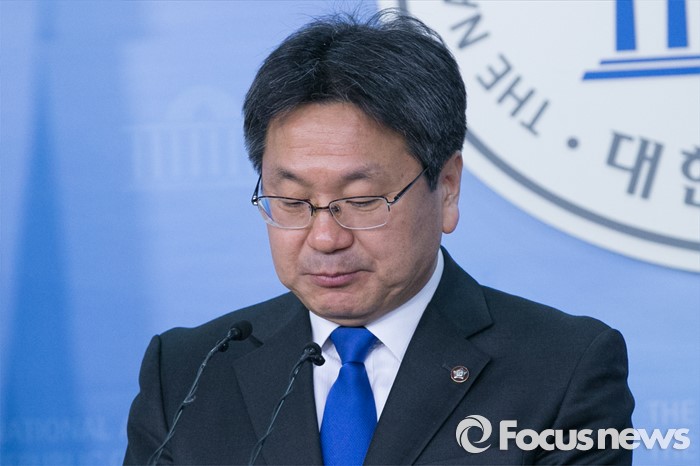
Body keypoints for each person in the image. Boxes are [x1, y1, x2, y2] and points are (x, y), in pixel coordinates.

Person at [124, 9, 634, 465]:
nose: (325, 238)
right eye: (293, 201)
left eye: (362, 200)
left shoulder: (563, 369)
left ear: (447, 188)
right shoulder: (189, 372)